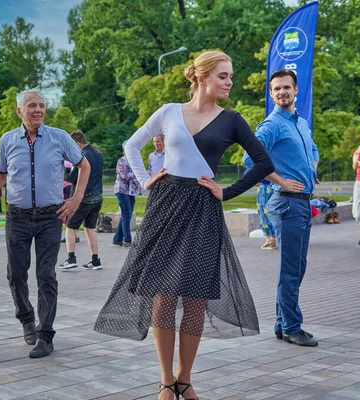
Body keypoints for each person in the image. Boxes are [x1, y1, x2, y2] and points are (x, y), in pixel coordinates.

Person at [94, 51, 274, 400]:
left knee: (195, 299)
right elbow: (131, 145)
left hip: (204, 209)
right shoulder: (169, 111)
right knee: (163, 295)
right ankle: (165, 380)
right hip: (166, 204)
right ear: (202, 77)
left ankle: (185, 378)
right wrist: (146, 179)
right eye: (223, 75)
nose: (229, 81)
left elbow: (263, 162)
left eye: (231, 76)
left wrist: (227, 192)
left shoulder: (232, 120)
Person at [0, 88, 90, 358]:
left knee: (46, 275)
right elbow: (0, 178)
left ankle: (45, 335)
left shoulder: (59, 138)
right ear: (19, 111)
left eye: (42, 105)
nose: (38, 110)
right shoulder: (7, 141)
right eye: (32, 105)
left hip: (50, 217)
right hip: (17, 217)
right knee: (16, 274)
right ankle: (26, 319)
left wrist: (75, 201)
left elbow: (85, 166)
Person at [243, 69, 320, 348]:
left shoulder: (301, 123)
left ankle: (281, 323)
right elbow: (250, 159)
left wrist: (310, 172)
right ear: (271, 93)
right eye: (276, 89)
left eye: (286, 87)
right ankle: (291, 326)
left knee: (297, 266)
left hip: (302, 204)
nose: (281, 92)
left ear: (296, 90)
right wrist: (281, 180)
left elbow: (312, 151)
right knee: (291, 269)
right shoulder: (272, 125)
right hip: (287, 204)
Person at [59, 130, 105, 270]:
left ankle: (71, 258)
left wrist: (64, 172)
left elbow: (72, 178)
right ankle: (95, 260)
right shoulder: (98, 153)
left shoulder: (82, 156)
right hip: (98, 196)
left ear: (77, 143)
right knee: (90, 228)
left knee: (70, 227)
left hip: (84, 197)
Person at [112, 141, 142, 248]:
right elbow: (125, 175)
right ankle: (127, 240)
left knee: (126, 215)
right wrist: (137, 173)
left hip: (131, 191)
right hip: (122, 191)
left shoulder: (134, 161)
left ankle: (117, 238)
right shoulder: (121, 161)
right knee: (126, 214)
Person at [257, 179, 277, 250]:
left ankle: (271, 239)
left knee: (266, 212)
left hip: (267, 189)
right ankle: (270, 238)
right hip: (268, 188)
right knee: (265, 213)